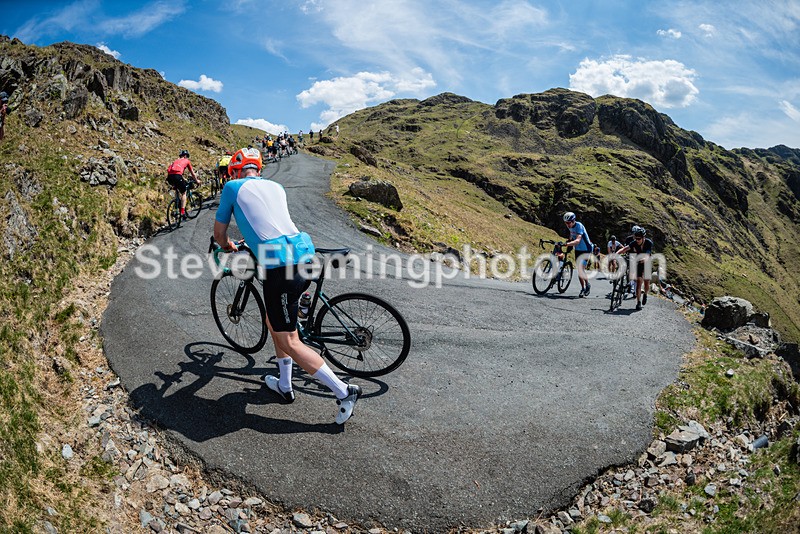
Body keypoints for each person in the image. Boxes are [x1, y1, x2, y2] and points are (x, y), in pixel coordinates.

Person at [213, 147, 361, 424]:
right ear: (259, 169)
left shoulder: (232, 187)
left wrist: (227, 246)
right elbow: (271, 222)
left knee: (290, 340)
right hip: (303, 255)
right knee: (273, 322)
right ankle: (284, 383)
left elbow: (219, 234)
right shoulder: (276, 186)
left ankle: (344, 391)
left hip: (281, 268)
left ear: (235, 170)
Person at [615, 225, 654, 310]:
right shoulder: (634, 243)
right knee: (639, 282)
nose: (637, 240)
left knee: (647, 282)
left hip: (646, 262)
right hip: (639, 263)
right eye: (636, 238)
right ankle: (638, 302)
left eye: (639, 239)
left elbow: (647, 254)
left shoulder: (648, 243)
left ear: (643, 238)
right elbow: (624, 249)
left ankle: (645, 294)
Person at [562, 211, 594, 297]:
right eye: (566, 223)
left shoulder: (579, 226)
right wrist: (568, 241)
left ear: (573, 221)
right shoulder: (570, 227)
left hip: (586, 249)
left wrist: (568, 244)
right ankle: (583, 288)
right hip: (578, 250)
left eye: (568, 223)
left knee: (580, 269)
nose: (567, 225)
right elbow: (571, 236)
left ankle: (587, 285)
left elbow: (577, 240)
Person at [166, 150, 200, 220]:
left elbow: (170, 170)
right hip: (177, 176)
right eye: (187, 156)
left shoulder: (176, 161)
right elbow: (192, 173)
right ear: (185, 156)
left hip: (170, 177)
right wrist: (197, 181)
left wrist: (182, 178)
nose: (187, 158)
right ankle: (182, 212)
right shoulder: (187, 161)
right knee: (184, 193)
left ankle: (177, 204)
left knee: (177, 188)